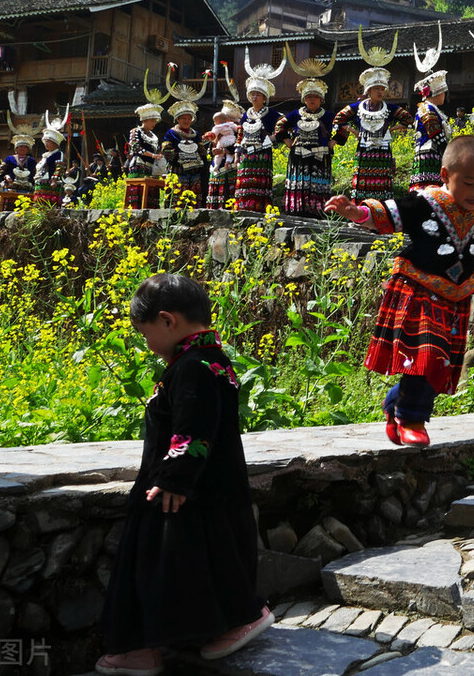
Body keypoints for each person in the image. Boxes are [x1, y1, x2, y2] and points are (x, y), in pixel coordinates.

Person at [326, 138, 474, 445]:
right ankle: (411, 419)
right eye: (469, 183)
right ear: (445, 175)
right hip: (417, 289)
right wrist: (353, 211)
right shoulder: (423, 204)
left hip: (456, 295)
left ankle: (395, 402)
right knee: (427, 354)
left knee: (439, 360)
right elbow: (384, 216)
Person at [97, 275, 272, 675]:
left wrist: (176, 477)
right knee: (207, 560)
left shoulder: (193, 367)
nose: (146, 344)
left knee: (163, 564)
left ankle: (224, 623)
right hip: (206, 485)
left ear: (167, 321)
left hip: (182, 491)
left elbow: (194, 425)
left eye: (145, 333)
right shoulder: (210, 358)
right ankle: (229, 619)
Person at [332, 32, 414, 202]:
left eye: (382, 89)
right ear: (368, 90)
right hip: (363, 151)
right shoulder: (357, 107)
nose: (380, 92)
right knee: (363, 185)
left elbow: (409, 120)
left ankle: (381, 213)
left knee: (382, 186)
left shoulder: (390, 108)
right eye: (376, 88)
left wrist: (391, 129)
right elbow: (338, 119)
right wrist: (355, 133)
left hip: (383, 152)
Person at [276, 47, 336, 216]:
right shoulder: (296, 114)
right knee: (300, 183)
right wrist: (287, 141)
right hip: (299, 155)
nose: (312, 99)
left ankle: (318, 212)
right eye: (309, 97)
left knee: (318, 183)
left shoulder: (329, 115)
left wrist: (333, 141)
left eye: (315, 97)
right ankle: (297, 210)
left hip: (320, 155)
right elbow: (280, 125)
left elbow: (342, 126)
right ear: (304, 99)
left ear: (321, 100)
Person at [234, 56, 286, 213]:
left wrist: (273, 138)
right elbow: (240, 133)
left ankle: (260, 208)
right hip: (246, 153)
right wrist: (237, 154)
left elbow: (284, 126)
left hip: (263, 153)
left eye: (258, 94)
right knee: (245, 181)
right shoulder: (246, 114)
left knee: (260, 181)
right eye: (252, 94)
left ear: (264, 97)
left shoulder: (272, 114)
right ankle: (243, 207)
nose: (254, 97)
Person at [160, 64, 208, 206]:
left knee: (194, 196)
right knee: (177, 196)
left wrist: (200, 156)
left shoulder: (196, 134)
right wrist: (179, 157)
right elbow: (166, 149)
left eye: (189, 119)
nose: (186, 121)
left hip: (195, 170)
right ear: (177, 119)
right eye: (183, 119)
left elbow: (201, 150)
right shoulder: (171, 133)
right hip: (177, 169)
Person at [410, 30, 452, 192]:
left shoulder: (431, 109)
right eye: (443, 92)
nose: (444, 96)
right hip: (429, 155)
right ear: (435, 92)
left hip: (433, 155)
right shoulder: (427, 109)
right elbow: (437, 135)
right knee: (428, 190)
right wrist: (450, 152)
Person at [125, 98, 165, 210]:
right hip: (138, 165)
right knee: (138, 191)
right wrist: (152, 155)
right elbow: (136, 148)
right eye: (151, 120)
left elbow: (156, 150)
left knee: (152, 192)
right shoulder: (135, 131)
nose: (153, 123)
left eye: (155, 121)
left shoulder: (154, 136)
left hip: (151, 167)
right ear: (144, 120)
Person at [205, 103, 241, 210]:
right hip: (218, 165)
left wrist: (224, 150)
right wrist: (213, 151)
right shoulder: (216, 131)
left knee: (230, 191)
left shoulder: (236, 132)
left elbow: (238, 147)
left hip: (231, 166)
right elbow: (210, 149)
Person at [33, 111, 69, 207]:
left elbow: (59, 167)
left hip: (51, 184)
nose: (46, 144)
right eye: (45, 142)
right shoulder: (46, 155)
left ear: (55, 143)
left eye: (48, 142)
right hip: (40, 181)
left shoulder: (58, 154)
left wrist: (54, 180)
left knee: (49, 202)